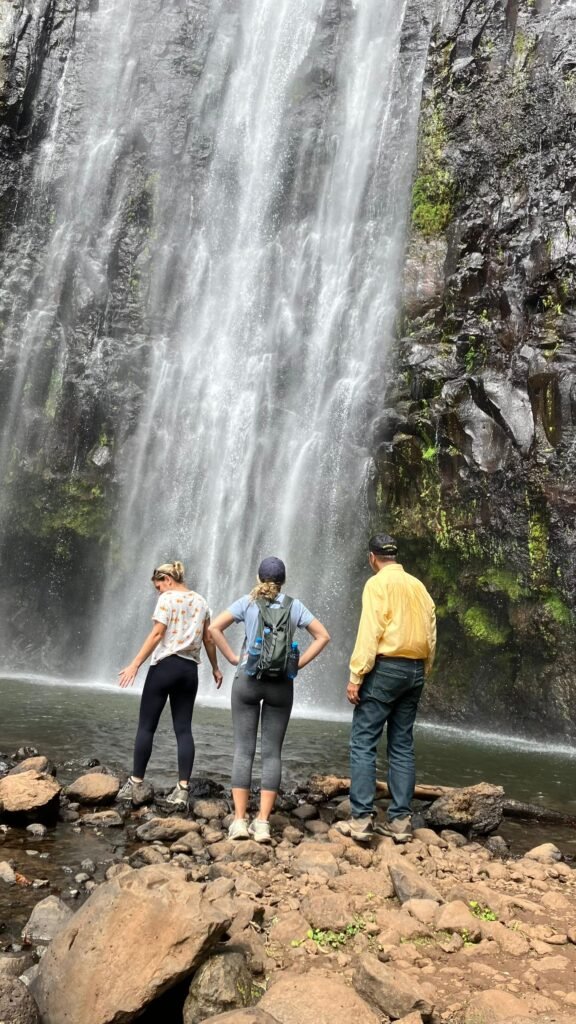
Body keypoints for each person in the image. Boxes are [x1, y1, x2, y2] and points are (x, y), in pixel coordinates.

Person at [209, 556, 330, 843]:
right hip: (280, 686)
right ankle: (262, 822)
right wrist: (297, 666)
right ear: (283, 580)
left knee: (243, 750)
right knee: (272, 753)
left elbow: (214, 628)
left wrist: (233, 658)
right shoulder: (294, 605)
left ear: (258, 578)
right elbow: (323, 636)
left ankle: (239, 821)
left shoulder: (247, 602)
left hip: (247, 680)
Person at [336, 534, 436, 844]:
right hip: (415, 669)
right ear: (395, 556)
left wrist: (357, 674)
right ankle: (401, 822)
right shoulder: (418, 586)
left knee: (364, 740)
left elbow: (371, 630)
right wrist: (424, 669)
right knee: (402, 743)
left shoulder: (377, 584)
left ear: (372, 558)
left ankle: (362, 818)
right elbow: (431, 631)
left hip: (386, 667)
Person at [117, 560, 222, 809]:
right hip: (189, 671)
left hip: (165, 666)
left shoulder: (167, 599)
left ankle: (134, 783)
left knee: (147, 727)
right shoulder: (202, 601)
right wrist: (216, 667)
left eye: (158, 586)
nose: (159, 591)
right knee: (183, 729)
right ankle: (183, 789)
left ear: (168, 580)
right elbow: (208, 638)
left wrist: (135, 664)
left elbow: (157, 634)